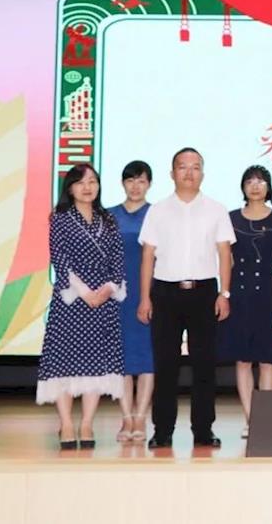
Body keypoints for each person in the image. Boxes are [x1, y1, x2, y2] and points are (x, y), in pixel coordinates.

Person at [137, 148, 235, 449]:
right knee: (165, 364)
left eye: (195, 167)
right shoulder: (158, 210)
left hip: (204, 292)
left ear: (202, 173)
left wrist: (224, 293)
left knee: (204, 364)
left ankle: (203, 430)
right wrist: (145, 298)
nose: (189, 172)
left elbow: (224, 254)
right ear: (172, 173)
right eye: (183, 167)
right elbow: (148, 255)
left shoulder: (216, 209)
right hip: (165, 292)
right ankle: (162, 430)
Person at [37, 164, 126, 449]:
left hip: (103, 299)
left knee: (96, 363)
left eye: (92, 182)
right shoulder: (60, 219)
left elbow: (118, 259)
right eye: (81, 182)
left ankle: (87, 422)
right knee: (64, 361)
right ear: (70, 188)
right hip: (72, 299)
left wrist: (108, 289)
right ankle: (65, 423)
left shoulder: (108, 219)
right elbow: (60, 259)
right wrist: (85, 293)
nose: (87, 187)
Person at [217, 166, 272, 438]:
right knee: (243, 359)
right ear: (243, 187)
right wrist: (224, 293)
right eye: (250, 181)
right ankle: (249, 417)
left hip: (267, 292)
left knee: (268, 358)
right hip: (239, 292)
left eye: (261, 181)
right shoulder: (231, 218)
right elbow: (226, 259)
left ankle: (265, 419)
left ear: (269, 186)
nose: (255, 186)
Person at [109, 160, 154, 443]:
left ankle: (140, 417)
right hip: (117, 297)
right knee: (121, 360)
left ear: (149, 184)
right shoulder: (109, 215)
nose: (135, 186)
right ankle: (126, 417)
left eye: (141, 181)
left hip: (148, 294)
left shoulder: (156, 215)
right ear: (123, 183)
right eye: (130, 180)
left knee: (147, 358)